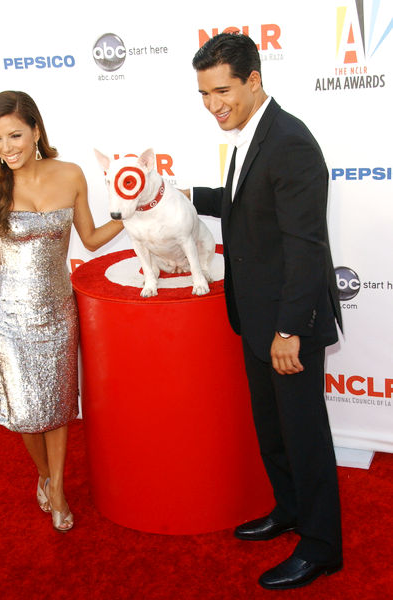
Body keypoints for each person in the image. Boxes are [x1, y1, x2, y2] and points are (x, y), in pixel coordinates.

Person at [189, 33, 343, 590]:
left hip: (285, 324)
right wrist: (178, 194)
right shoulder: (250, 133)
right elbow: (240, 204)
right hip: (254, 317)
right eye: (204, 94)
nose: (213, 104)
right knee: (273, 430)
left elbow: (307, 247)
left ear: (254, 81)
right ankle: (290, 510)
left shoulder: (290, 141)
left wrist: (287, 331)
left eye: (222, 90)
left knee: (303, 434)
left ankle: (323, 545)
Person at [0, 91, 123, 532]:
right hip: (8, 314)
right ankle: (45, 474)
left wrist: (134, 211)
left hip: (58, 311)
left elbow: (90, 239)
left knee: (56, 407)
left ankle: (56, 490)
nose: (7, 147)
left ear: (36, 130)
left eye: (15, 134)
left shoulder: (71, 174)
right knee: (26, 412)